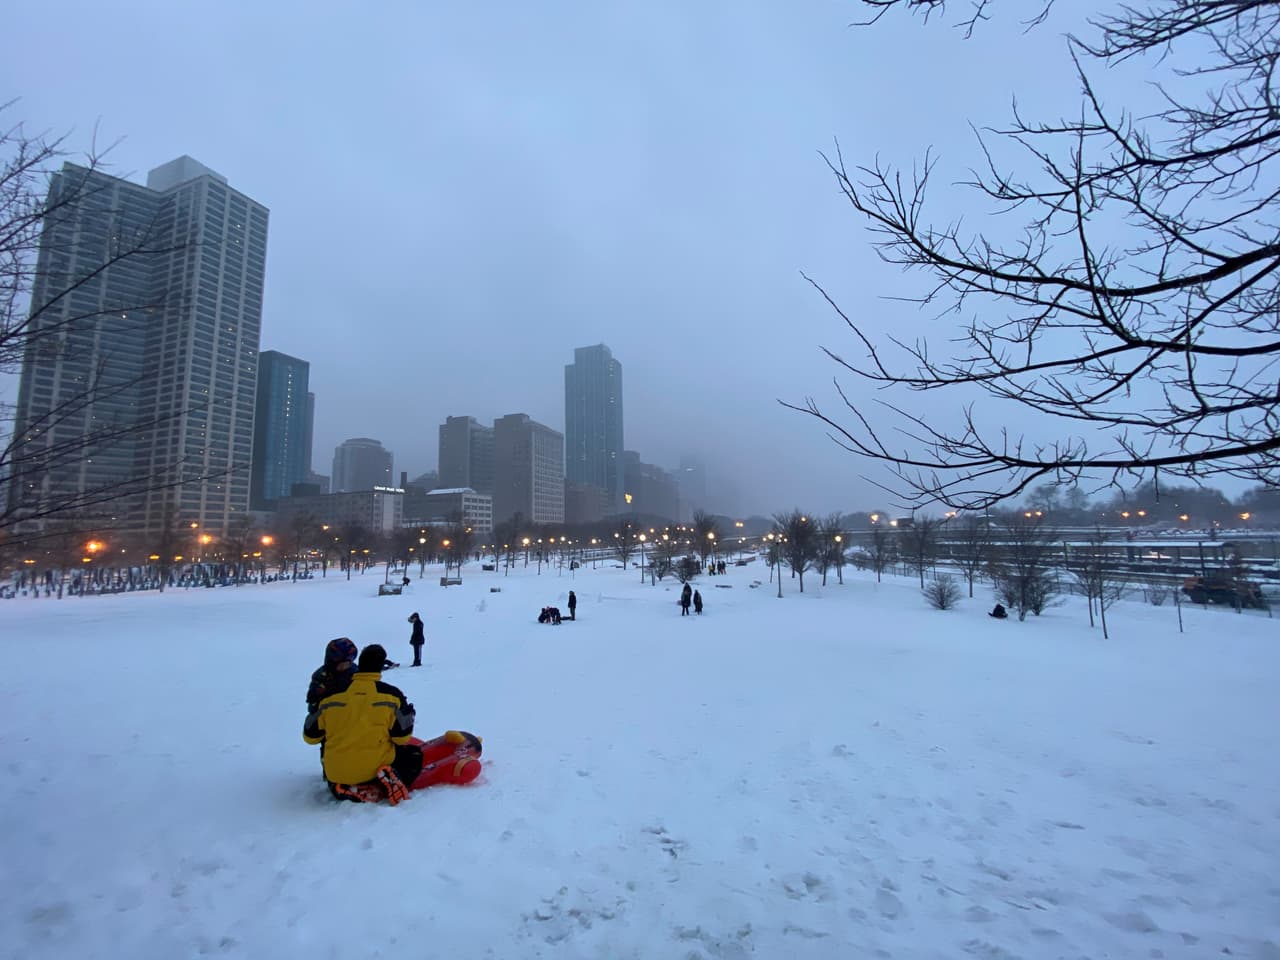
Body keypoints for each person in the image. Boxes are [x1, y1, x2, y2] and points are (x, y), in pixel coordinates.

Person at [304, 643, 423, 804]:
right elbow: (401, 738)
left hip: (335, 770)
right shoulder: (391, 696)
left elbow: (310, 737)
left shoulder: (328, 697)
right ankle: (383, 781)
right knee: (413, 755)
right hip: (372, 765)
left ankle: (339, 787)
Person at [306, 638, 359, 712]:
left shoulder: (355, 672)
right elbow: (313, 705)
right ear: (332, 662)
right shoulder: (321, 676)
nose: (345, 666)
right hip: (329, 712)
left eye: (349, 663)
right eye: (342, 664)